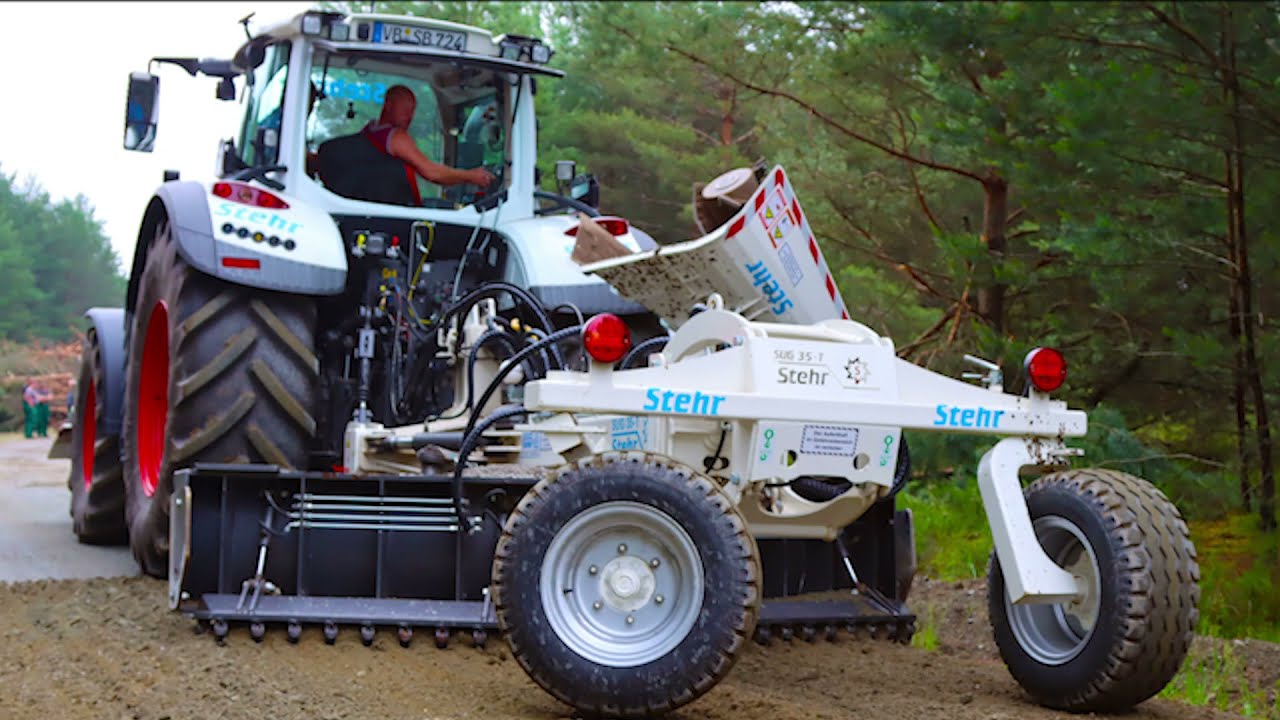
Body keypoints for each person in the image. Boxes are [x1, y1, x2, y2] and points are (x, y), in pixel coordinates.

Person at [362, 85, 495, 191]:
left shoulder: (367, 131)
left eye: (412, 111)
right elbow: (431, 172)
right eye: (405, 110)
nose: (410, 117)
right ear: (388, 105)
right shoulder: (396, 136)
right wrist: (471, 176)